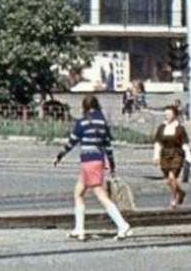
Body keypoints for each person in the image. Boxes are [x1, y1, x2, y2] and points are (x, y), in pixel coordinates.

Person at [53, 94, 133, 240]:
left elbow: (72, 142)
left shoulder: (82, 122)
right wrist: (112, 164)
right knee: (78, 193)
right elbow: (108, 145)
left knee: (100, 195)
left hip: (88, 161)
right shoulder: (102, 122)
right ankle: (79, 228)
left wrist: (60, 155)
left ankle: (123, 225)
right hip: (97, 161)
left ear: (84, 106)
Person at [153, 104, 190, 209]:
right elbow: (158, 142)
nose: (167, 116)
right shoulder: (161, 127)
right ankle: (180, 192)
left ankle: (174, 198)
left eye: (169, 114)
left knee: (172, 177)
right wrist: (156, 155)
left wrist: (188, 156)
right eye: (165, 114)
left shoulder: (179, 128)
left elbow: (184, 143)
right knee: (169, 180)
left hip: (176, 153)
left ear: (174, 115)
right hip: (164, 153)